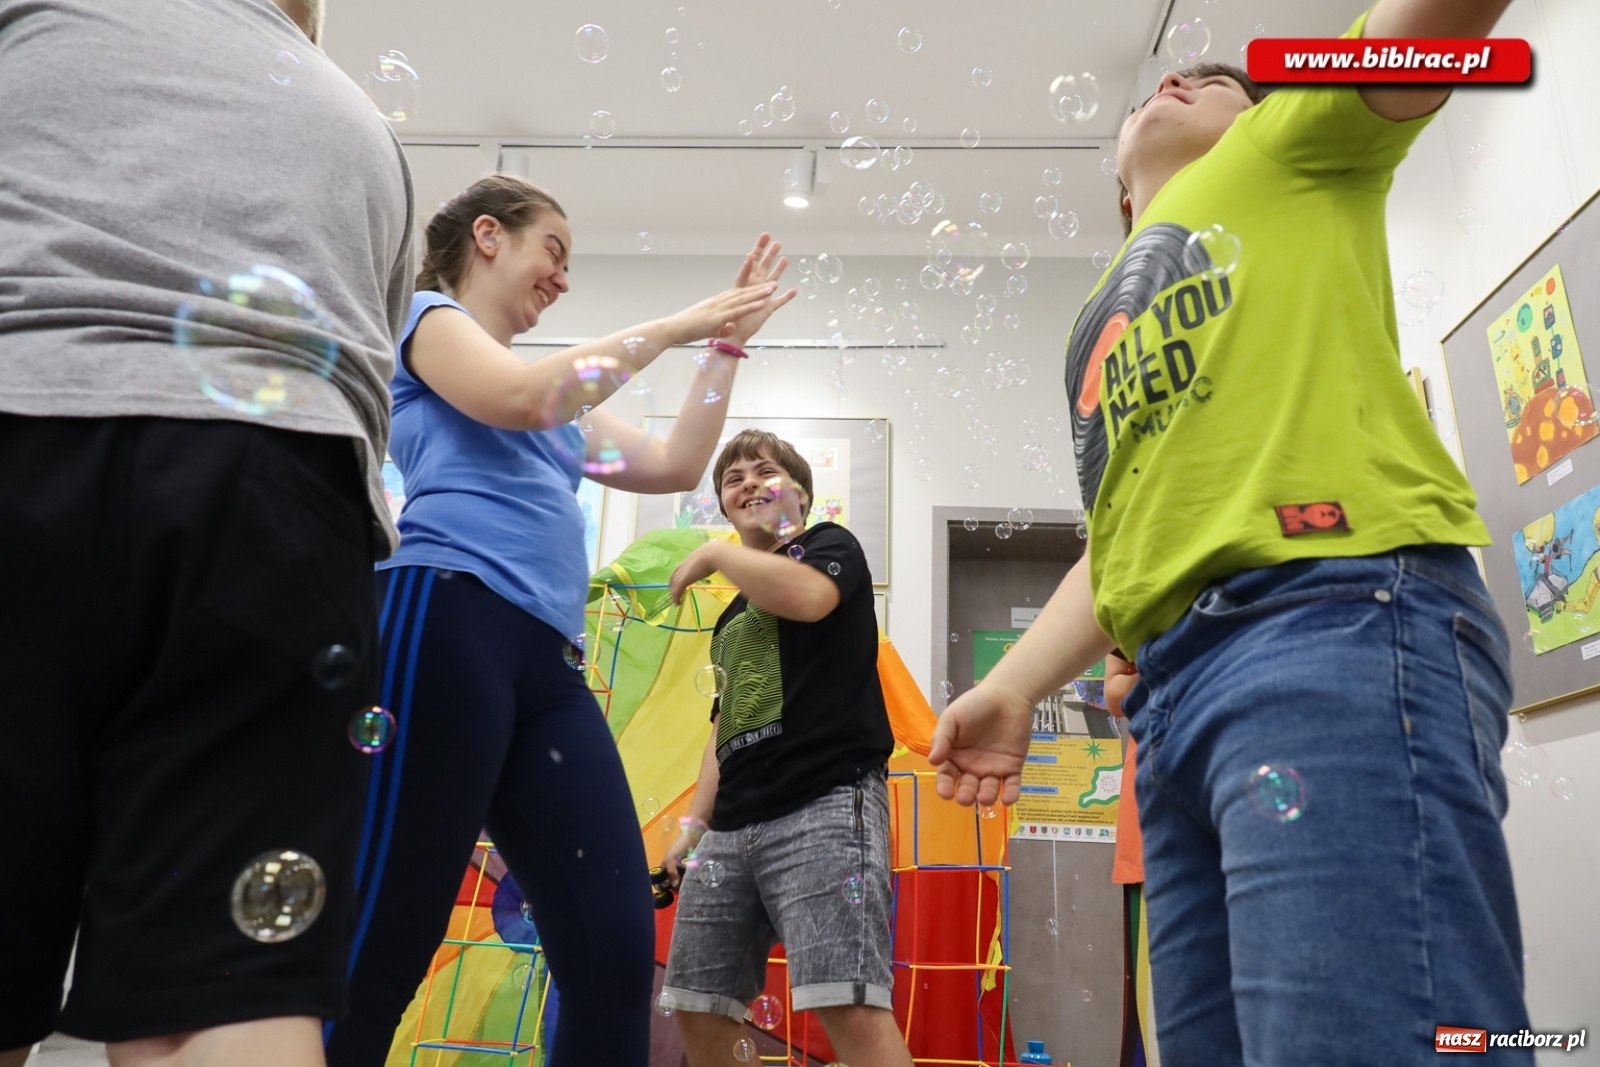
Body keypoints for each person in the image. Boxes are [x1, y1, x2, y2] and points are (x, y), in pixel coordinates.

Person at [930, 2, 1534, 1065]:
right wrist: (1014, 683)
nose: (1177, 79)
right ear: (1119, 196)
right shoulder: (1092, 327)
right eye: (1162, 84)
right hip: (1168, 701)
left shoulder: (1286, 148)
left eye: (1214, 80)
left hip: (1329, 620)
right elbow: (1118, 541)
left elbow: (1424, 24)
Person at [0, 0, 413, 1063]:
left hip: (19, 415)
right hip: (276, 498)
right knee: (218, 1000)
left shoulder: (40, 26)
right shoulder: (354, 117)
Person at [322, 176, 794, 1066]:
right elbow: (522, 396)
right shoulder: (426, 321)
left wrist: (724, 344)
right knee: (388, 936)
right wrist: (679, 323)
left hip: (545, 663)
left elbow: (675, 462)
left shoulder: (566, 414)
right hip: (445, 615)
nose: (564, 280)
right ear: (490, 236)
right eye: (556, 253)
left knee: (614, 959)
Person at [660, 430, 913, 1067]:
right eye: (732, 477)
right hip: (732, 827)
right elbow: (725, 729)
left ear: (799, 494)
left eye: (763, 471)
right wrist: (690, 831)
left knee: (846, 1001)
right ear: (722, 502)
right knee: (696, 1001)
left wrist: (717, 554)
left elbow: (808, 597)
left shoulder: (830, 547)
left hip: (824, 804)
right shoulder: (730, 619)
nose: (745, 482)